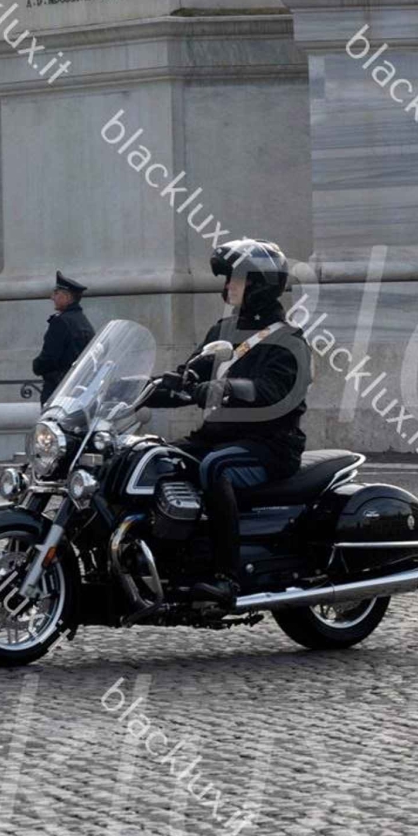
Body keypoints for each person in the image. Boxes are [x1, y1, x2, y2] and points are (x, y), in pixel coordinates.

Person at [149, 240, 312, 600]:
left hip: (269, 446)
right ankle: (169, 559)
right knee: (155, 461)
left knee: (215, 467)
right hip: (218, 436)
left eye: (235, 278)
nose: (228, 286)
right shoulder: (222, 332)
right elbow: (190, 374)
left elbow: (275, 391)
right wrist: (148, 388)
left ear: (258, 283)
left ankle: (227, 575)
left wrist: (227, 388)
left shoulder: (289, 341)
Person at [32, 271, 96, 405]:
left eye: (56, 293)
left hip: (59, 389)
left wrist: (36, 366)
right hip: (78, 390)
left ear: (67, 297)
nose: (52, 297)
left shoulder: (61, 322)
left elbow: (49, 358)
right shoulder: (82, 320)